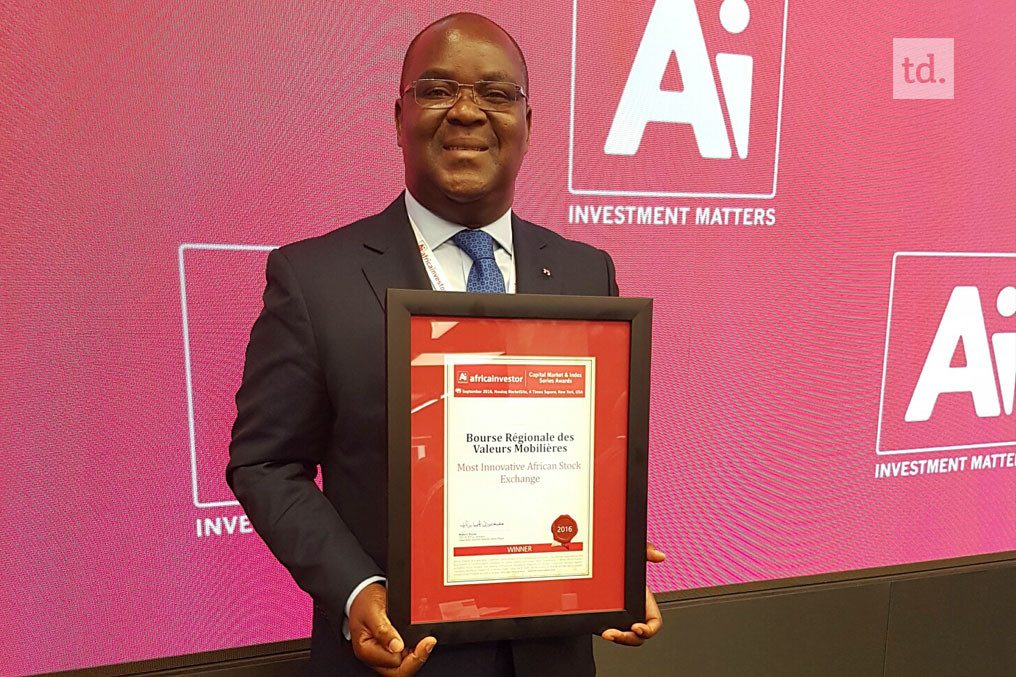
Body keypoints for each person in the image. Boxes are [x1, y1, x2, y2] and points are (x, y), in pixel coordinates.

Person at [228, 12, 662, 676]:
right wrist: (355, 590)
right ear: (398, 117)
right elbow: (264, 462)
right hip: (397, 654)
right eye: (436, 90)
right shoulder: (314, 279)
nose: (466, 111)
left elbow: (585, 453)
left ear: (528, 122)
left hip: (551, 658)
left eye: (495, 93)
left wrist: (609, 562)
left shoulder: (586, 271)